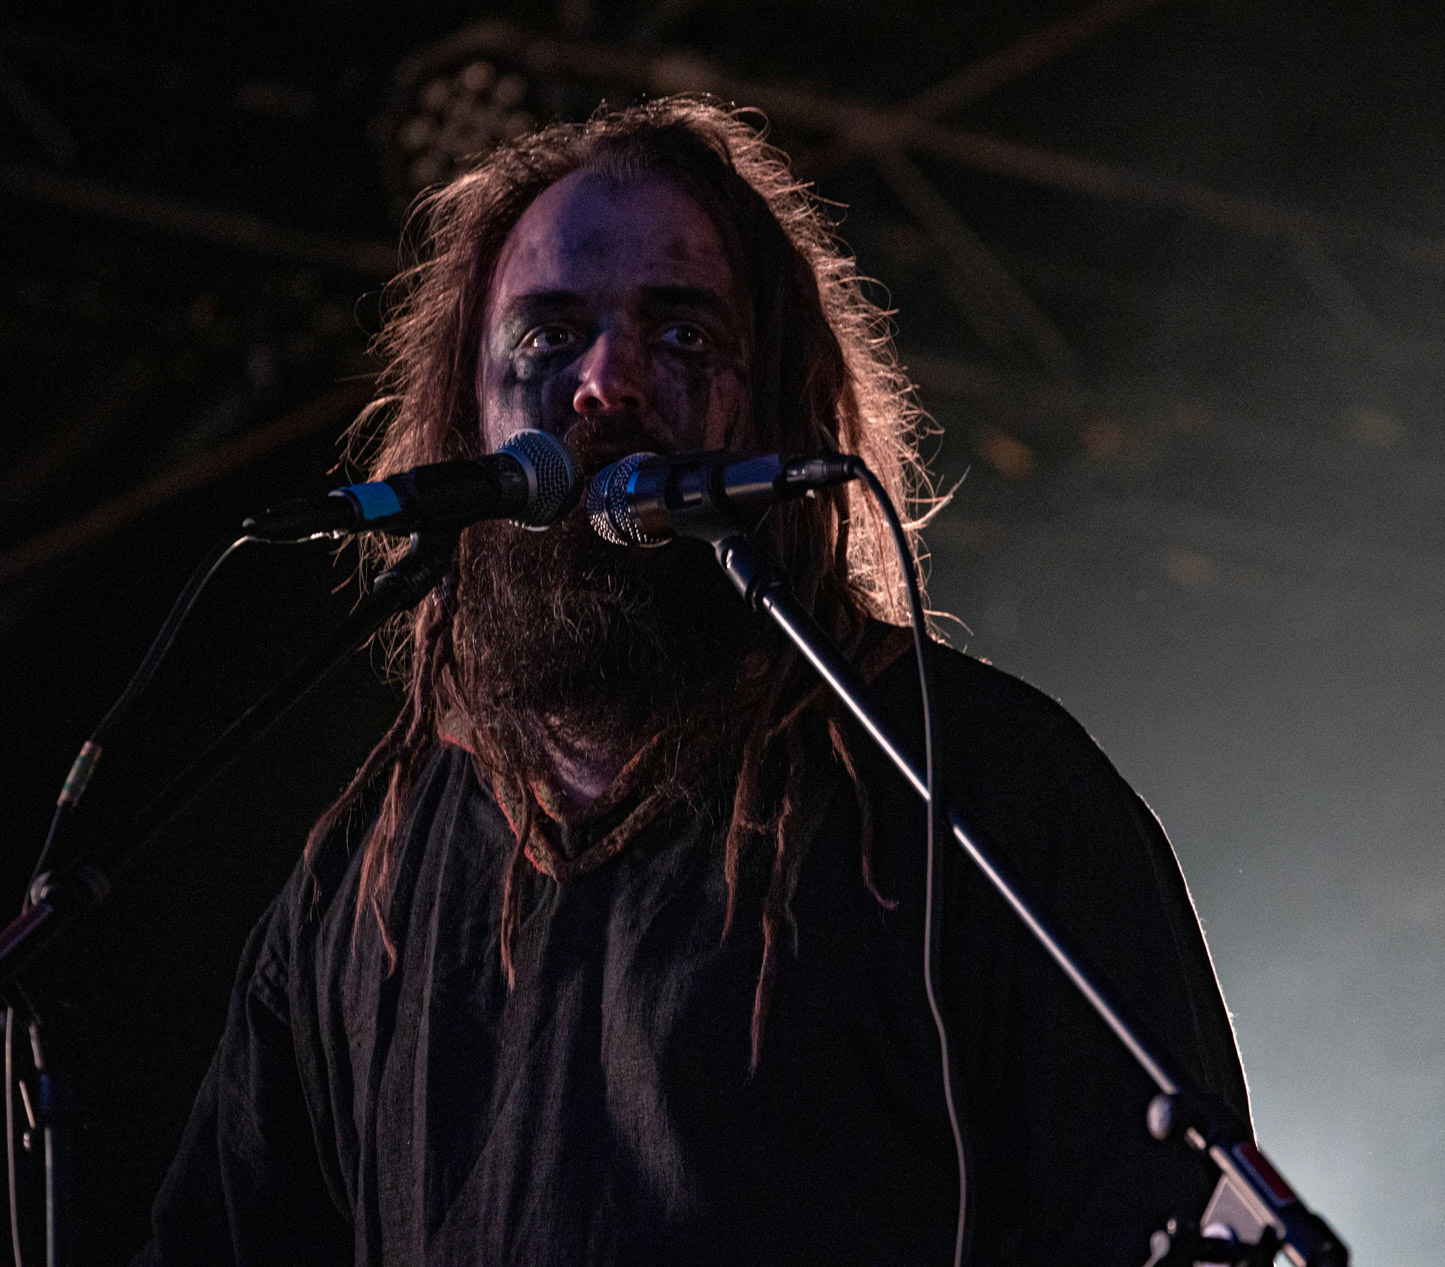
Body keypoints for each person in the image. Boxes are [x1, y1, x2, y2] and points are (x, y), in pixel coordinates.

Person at [136, 97, 1250, 1267]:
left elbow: (1171, 1220)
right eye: (547, 337)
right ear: (465, 419)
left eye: (680, 337)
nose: (603, 384)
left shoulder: (971, 787)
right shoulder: (359, 882)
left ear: (773, 408)